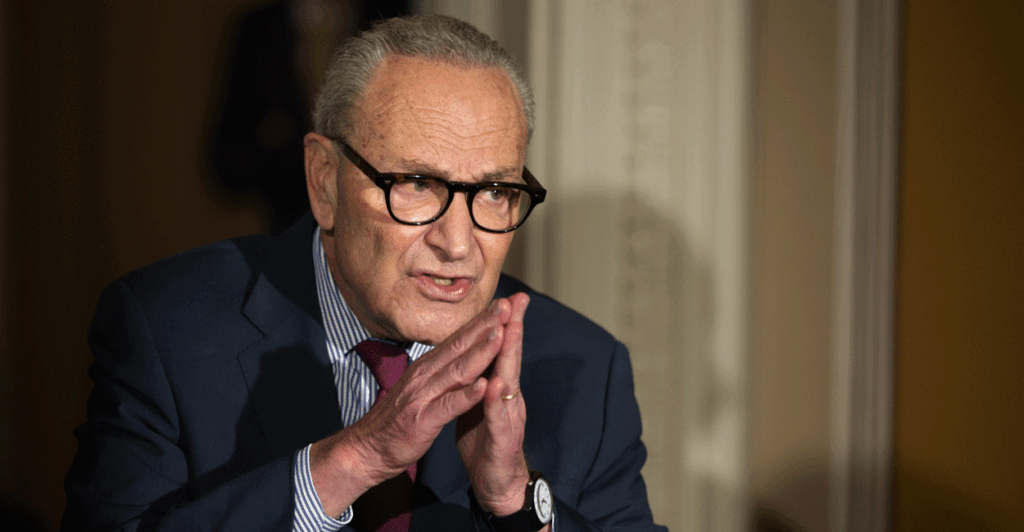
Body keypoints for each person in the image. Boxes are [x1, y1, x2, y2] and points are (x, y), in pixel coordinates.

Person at [63, 14, 666, 532]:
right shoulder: (165, 331)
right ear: (324, 182)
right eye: (416, 183)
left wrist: (513, 502)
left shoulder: (587, 370)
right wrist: (355, 459)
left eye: (494, 192)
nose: (458, 244)